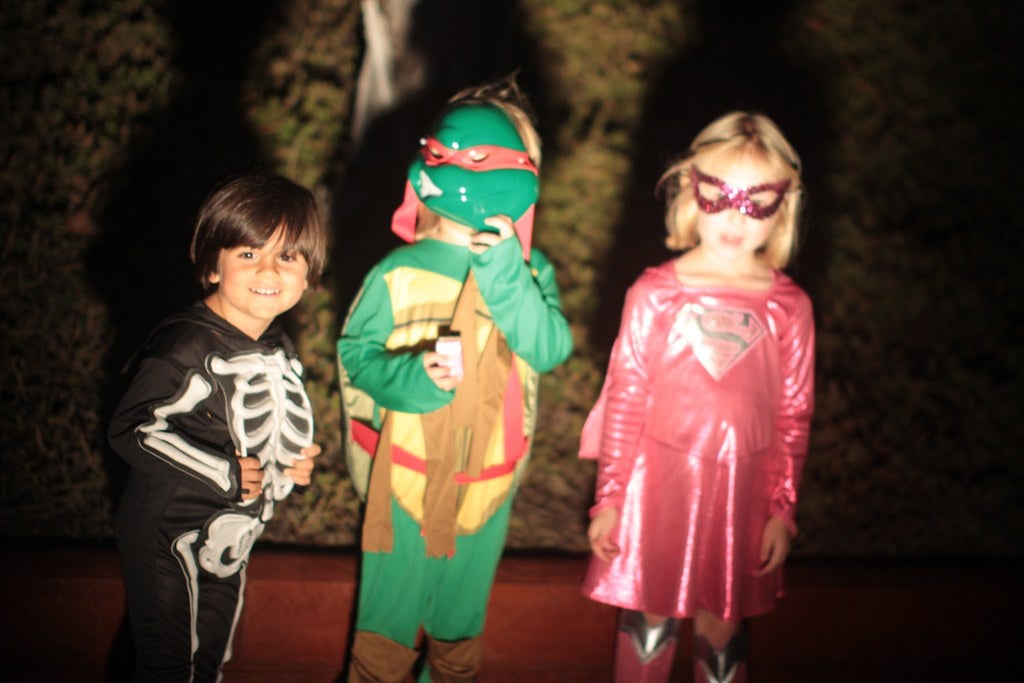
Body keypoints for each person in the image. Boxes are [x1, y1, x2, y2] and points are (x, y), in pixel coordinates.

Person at [337, 78, 573, 682]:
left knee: (460, 630)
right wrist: (415, 377)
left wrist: (504, 273)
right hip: (406, 483)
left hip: (488, 486)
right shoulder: (399, 273)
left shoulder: (530, 271)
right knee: (384, 629)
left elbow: (548, 348)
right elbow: (356, 361)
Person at [580, 112, 815, 683]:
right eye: (719, 196)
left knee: (723, 624)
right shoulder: (654, 293)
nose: (735, 217)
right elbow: (627, 397)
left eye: (757, 201)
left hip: (743, 492)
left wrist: (782, 508)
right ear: (691, 190)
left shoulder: (790, 306)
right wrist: (609, 499)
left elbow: (793, 412)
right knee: (648, 619)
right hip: (658, 488)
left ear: (783, 206)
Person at [109, 172, 328, 681]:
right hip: (170, 531)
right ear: (212, 266)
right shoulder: (186, 346)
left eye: (287, 256)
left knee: (209, 660)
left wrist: (295, 461)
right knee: (168, 665)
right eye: (248, 254)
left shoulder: (277, 345)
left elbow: (270, 420)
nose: (268, 269)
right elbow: (132, 427)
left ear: (309, 274)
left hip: (236, 531)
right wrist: (222, 473)